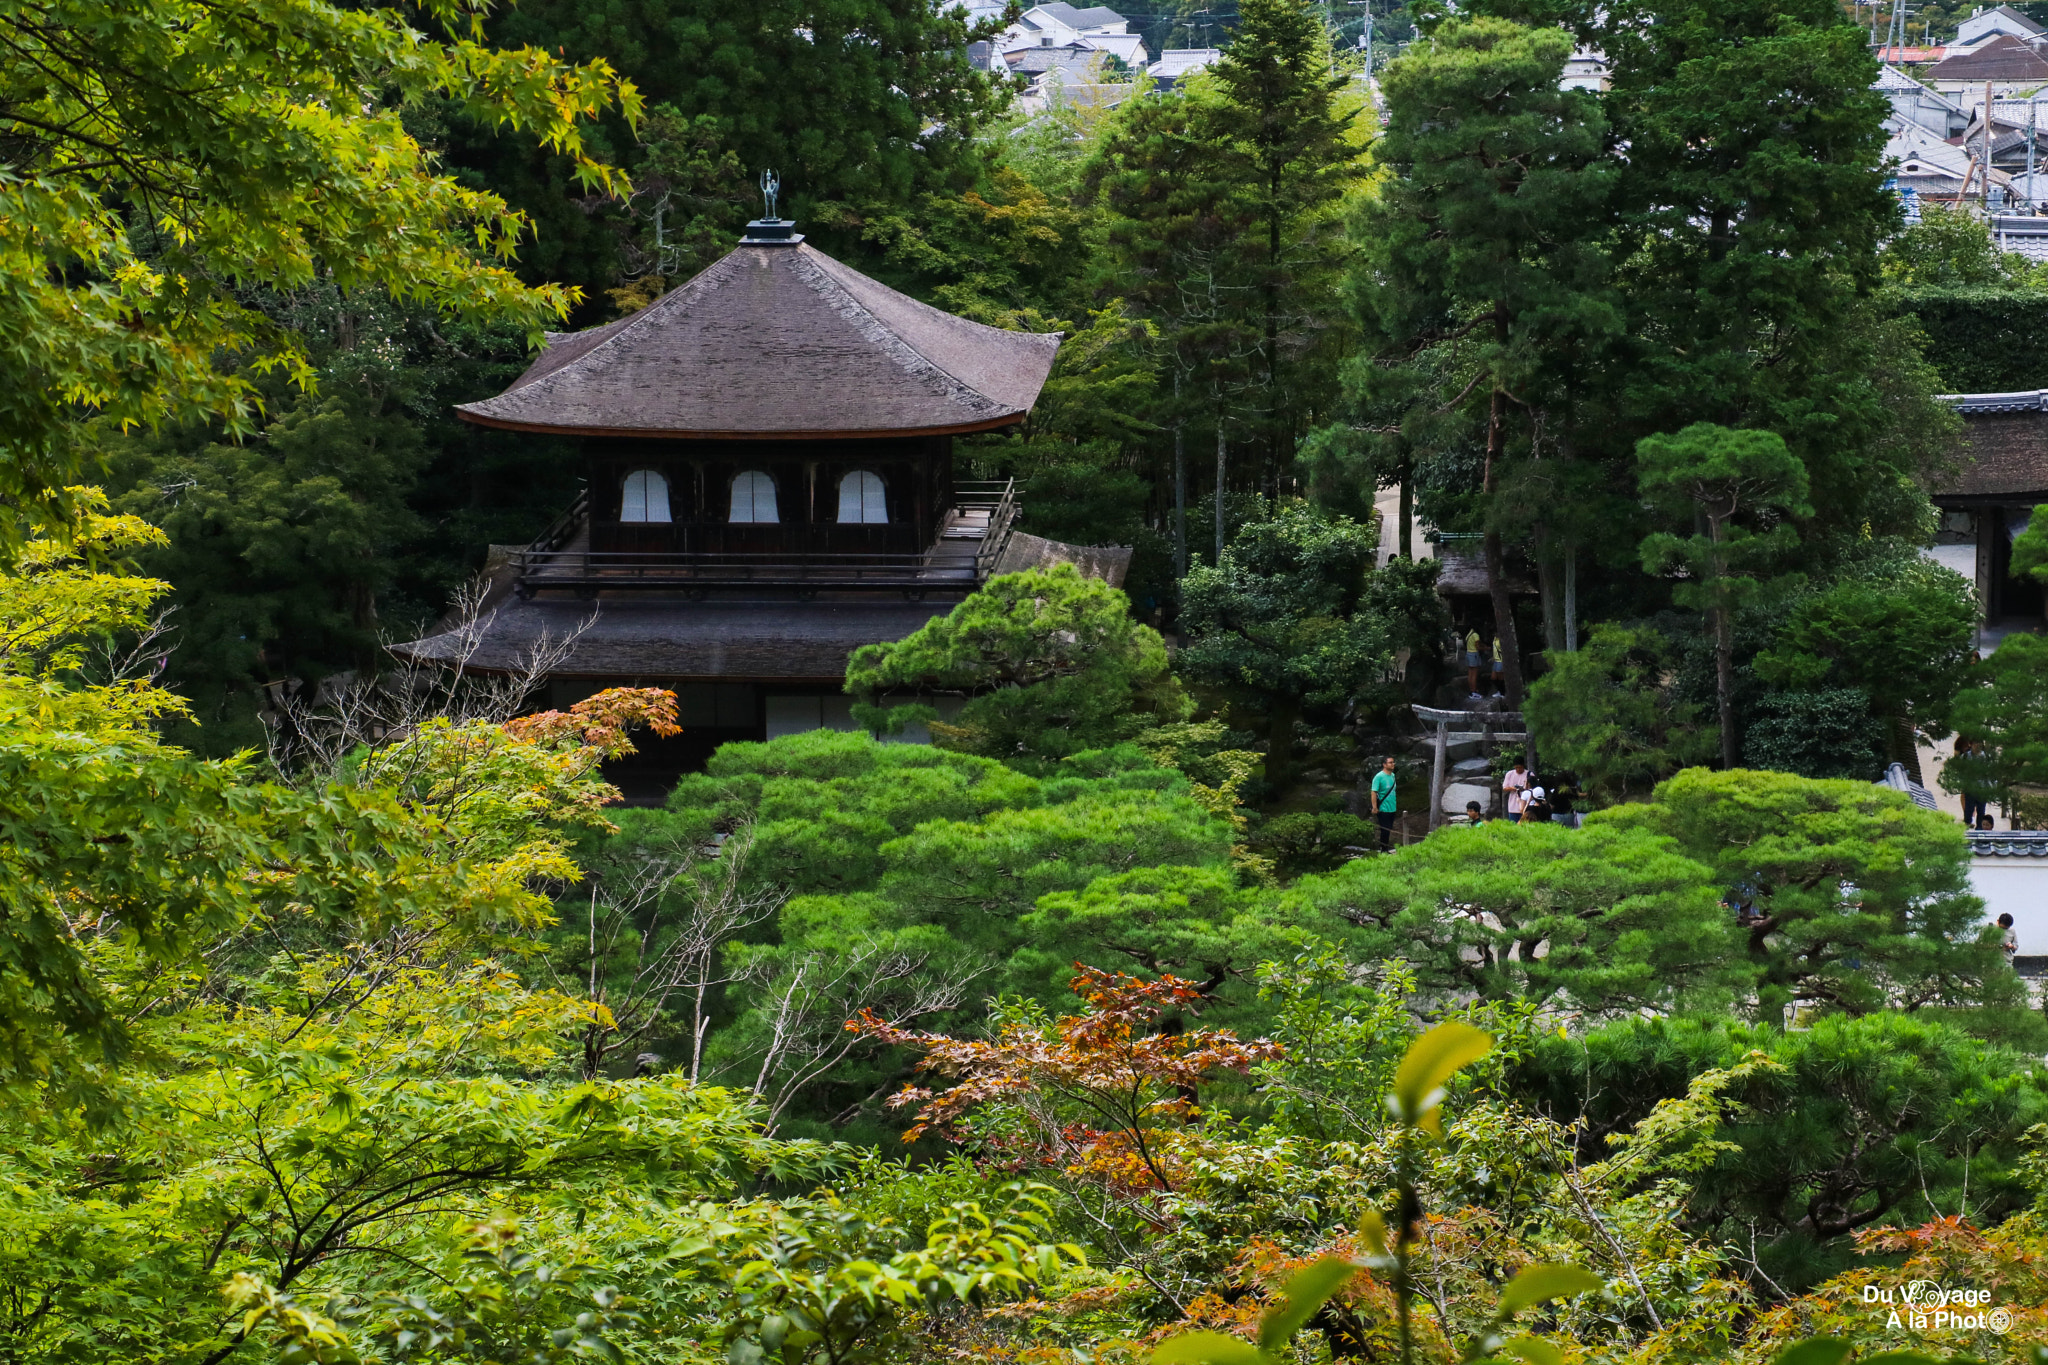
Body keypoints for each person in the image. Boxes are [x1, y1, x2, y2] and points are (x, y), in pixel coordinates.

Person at [1371, 756, 1399, 852]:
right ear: (1384, 764)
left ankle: (1385, 848)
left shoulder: (1393, 776)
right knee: (1385, 830)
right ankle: (1383, 849)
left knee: (1389, 829)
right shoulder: (1379, 777)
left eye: (1393, 762)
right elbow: (1374, 792)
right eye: (1390, 762)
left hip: (1392, 807)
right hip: (1383, 808)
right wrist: (1374, 807)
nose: (1393, 764)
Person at [1464, 627, 1482, 696]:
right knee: (1474, 674)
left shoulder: (1469, 633)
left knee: (1470, 674)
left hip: (1468, 654)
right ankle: (1474, 692)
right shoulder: (1476, 635)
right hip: (1474, 655)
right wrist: (1485, 648)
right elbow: (1477, 646)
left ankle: (1471, 690)